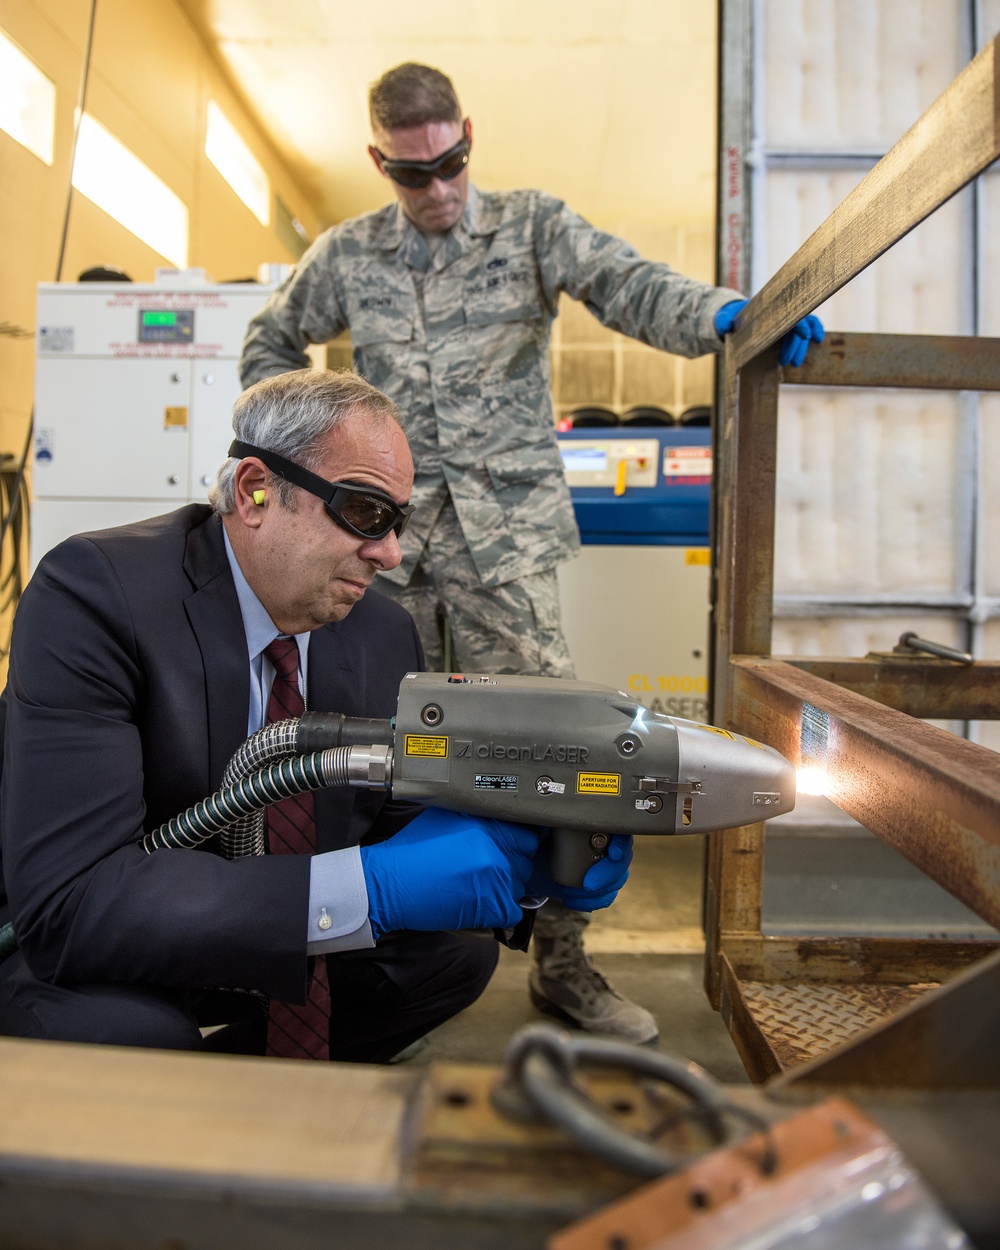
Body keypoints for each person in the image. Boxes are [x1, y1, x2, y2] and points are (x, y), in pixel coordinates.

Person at [239, 63, 824, 1045]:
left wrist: (728, 319)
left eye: (450, 164)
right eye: (411, 174)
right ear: (378, 160)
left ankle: (563, 965)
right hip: (387, 550)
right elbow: (269, 343)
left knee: (564, 757)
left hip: (504, 544)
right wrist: (310, 450)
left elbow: (627, 285)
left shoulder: (531, 227)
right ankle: (382, 964)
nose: (437, 190)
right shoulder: (347, 254)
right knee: (374, 748)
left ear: (467, 136)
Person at [0, 369, 630, 1059]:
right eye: (365, 512)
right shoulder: (96, 598)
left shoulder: (380, 632)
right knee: (134, 1037)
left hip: (260, 925)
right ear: (254, 491)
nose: (390, 554)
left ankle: (236, 1096)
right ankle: (180, 1122)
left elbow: (397, 823)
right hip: (97, 934)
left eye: (399, 522)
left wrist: (524, 868)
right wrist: (374, 888)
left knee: (453, 957)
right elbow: (73, 903)